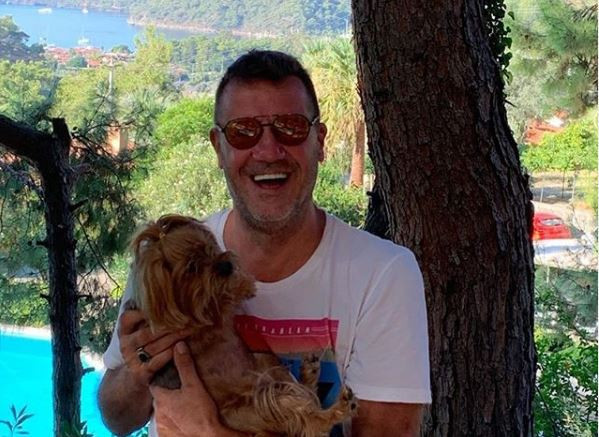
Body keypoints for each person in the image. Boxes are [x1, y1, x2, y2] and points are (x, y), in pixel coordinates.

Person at [98, 50, 431, 437]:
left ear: (320, 142)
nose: (269, 151)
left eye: (290, 128)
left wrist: (212, 432)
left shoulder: (383, 274)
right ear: (218, 147)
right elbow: (118, 418)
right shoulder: (169, 259)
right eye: (243, 131)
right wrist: (136, 372)